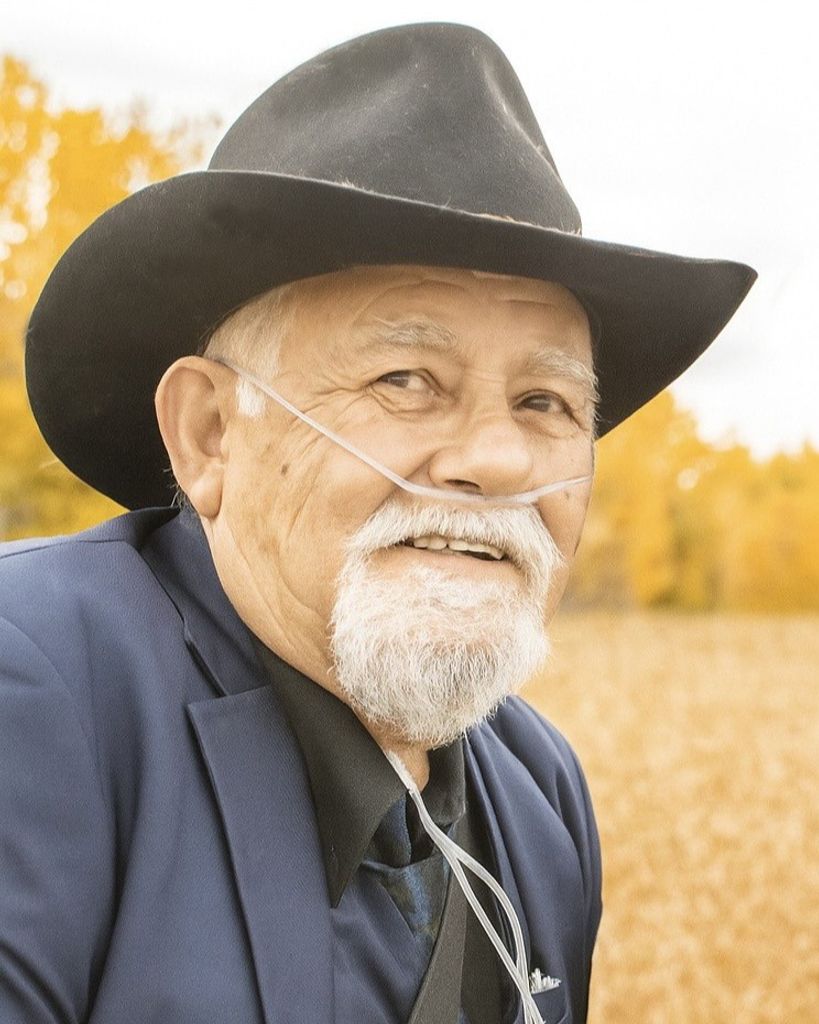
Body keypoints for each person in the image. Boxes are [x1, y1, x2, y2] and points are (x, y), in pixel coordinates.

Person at [0, 22, 755, 1024]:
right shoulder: (34, 698)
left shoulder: (540, 793)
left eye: (545, 402)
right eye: (406, 379)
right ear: (211, 434)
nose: (497, 461)